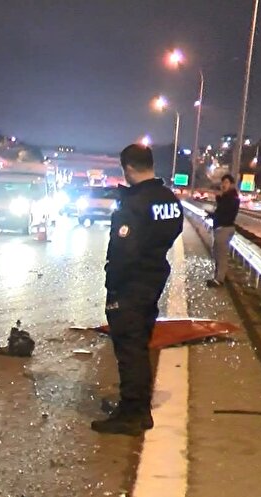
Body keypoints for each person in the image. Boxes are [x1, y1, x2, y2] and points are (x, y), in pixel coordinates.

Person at [91, 143, 184, 436]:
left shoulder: (134, 203)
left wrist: (113, 284)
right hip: (154, 277)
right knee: (139, 344)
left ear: (128, 168)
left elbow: (123, 250)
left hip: (130, 284)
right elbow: (174, 231)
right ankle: (139, 410)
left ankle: (131, 413)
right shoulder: (168, 198)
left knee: (129, 348)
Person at [207, 174, 240, 287]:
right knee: (216, 253)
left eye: (226, 182)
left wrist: (219, 197)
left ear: (231, 184)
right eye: (223, 183)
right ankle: (217, 277)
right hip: (220, 228)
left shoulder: (232, 198)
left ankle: (219, 279)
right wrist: (211, 215)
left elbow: (225, 212)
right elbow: (220, 213)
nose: (223, 185)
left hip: (224, 228)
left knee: (221, 255)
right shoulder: (226, 197)